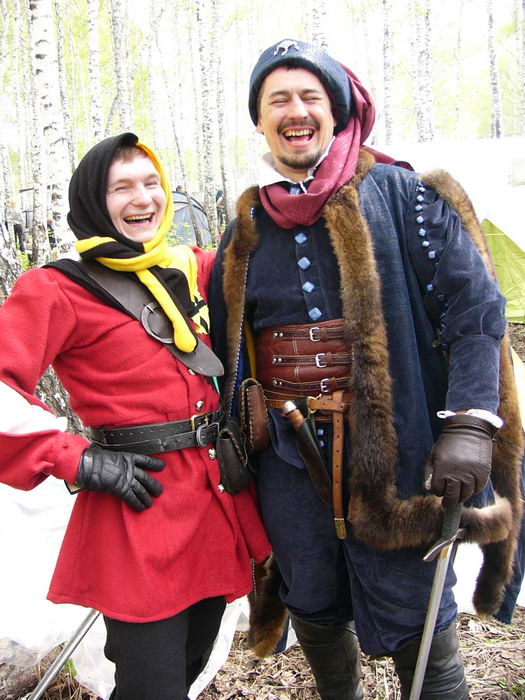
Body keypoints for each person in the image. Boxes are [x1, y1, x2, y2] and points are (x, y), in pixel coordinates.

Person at [209, 39, 524, 699]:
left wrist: (470, 421)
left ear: (337, 109)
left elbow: (475, 310)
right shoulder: (244, 230)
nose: (295, 112)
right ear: (259, 121)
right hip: (287, 462)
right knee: (312, 600)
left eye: (309, 97)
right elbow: (226, 349)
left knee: (420, 620)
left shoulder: (404, 195)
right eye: (277, 101)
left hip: (399, 453)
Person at [0, 132, 270, 700]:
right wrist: (73, 458)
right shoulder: (56, 288)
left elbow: (282, 268)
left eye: (151, 183)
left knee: (192, 664)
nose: (142, 198)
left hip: (214, 498)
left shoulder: (195, 269)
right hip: (138, 505)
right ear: (94, 201)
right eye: (121, 187)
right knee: (152, 683)